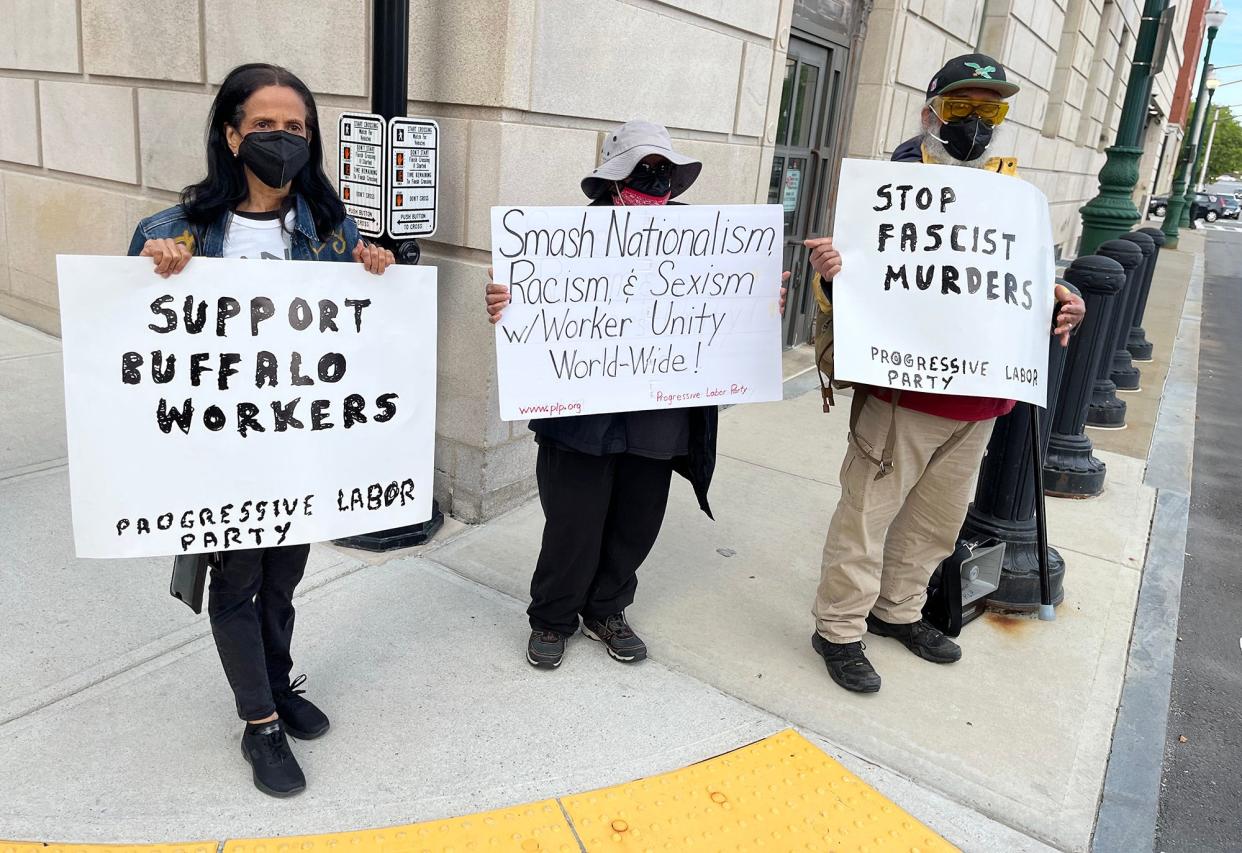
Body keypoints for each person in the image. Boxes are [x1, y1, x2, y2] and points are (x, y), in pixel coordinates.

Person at [126, 63, 395, 796]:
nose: (282, 140)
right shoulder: (171, 232)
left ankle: (278, 680)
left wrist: (377, 269)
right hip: (219, 453)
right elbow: (133, 347)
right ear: (231, 133)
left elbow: (368, 342)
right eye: (267, 126)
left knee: (284, 578)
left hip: (299, 447)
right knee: (238, 583)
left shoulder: (331, 235)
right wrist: (152, 275)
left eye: (297, 128)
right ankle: (260, 723)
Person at [805, 54, 1086, 693]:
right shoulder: (888, 190)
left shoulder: (1012, 198)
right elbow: (845, 297)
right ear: (931, 110)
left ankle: (898, 609)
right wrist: (833, 273)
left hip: (981, 401)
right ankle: (839, 628)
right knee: (868, 515)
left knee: (937, 518)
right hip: (902, 395)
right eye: (963, 108)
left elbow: (1019, 280)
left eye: (990, 111)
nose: (976, 123)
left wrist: (1063, 295)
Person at [485, 120, 787, 670]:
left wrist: (760, 300)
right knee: (572, 524)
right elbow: (536, 318)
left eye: (663, 170)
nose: (653, 180)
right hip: (580, 416)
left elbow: (728, 310)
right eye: (640, 169)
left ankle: (607, 609)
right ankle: (553, 619)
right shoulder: (560, 243)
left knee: (636, 521)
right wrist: (509, 305)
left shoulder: (706, 241)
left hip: (658, 416)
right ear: (609, 180)